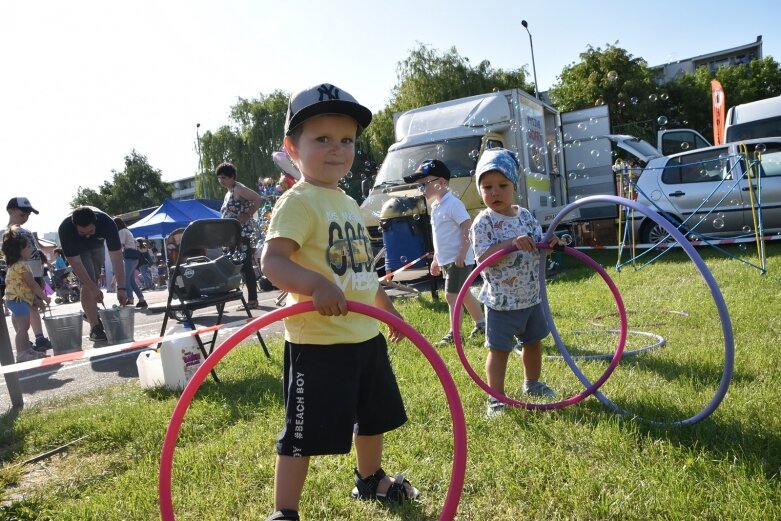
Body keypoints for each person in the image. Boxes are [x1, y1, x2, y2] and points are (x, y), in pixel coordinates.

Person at [260, 83, 418, 521]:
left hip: (365, 335)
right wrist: (315, 285)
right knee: (302, 433)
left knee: (374, 417)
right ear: (292, 147)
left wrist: (389, 311)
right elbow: (272, 262)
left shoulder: (348, 202)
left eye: (346, 139)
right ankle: (285, 511)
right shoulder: (298, 202)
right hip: (319, 345)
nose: (337, 149)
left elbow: (363, 273)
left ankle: (370, 480)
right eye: (322, 139)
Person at [470, 148, 562, 418]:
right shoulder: (483, 222)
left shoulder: (524, 216)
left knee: (533, 343)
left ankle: (532, 383)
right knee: (499, 351)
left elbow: (539, 243)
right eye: (487, 187)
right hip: (501, 302)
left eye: (502, 185)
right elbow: (483, 258)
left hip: (531, 297)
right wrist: (510, 243)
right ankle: (496, 398)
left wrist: (552, 243)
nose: (494, 192)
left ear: (514, 187)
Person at [403, 159, 485, 346]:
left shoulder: (452, 204)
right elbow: (440, 237)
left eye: (424, 184)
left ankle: (454, 334)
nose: (422, 189)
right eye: (419, 185)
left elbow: (467, 226)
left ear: (441, 182)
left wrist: (462, 253)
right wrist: (436, 259)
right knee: (463, 294)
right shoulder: (437, 206)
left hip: (460, 259)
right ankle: (482, 324)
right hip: (449, 260)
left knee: (451, 295)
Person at [58, 207, 128, 341]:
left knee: (94, 278)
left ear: (96, 223)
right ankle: (95, 328)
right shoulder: (65, 229)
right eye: (83, 232)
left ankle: (89, 314)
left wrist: (122, 288)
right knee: (89, 281)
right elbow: (76, 264)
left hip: (97, 245)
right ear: (75, 226)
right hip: (78, 249)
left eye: (91, 231)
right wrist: (93, 288)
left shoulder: (107, 223)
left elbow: (117, 257)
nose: (88, 235)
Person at [4, 197, 53, 352]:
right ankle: (37, 338)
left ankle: (31, 340)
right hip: (24, 277)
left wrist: (40, 277)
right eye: (22, 214)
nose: (25, 217)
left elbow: (35, 255)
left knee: (28, 307)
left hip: (33, 273)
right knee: (29, 307)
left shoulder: (25, 231)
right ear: (10, 211)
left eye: (28, 215)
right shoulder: (9, 233)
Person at [215, 162, 263, 310]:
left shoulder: (238, 188)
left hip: (241, 232)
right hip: (232, 234)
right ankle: (247, 299)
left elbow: (258, 199)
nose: (221, 180)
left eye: (224, 177)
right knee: (239, 266)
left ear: (232, 177)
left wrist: (247, 214)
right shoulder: (229, 191)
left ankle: (252, 300)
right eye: (219, 178)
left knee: (246, 266)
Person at [114, 217, 147, 309]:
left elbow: (120, 245)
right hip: (135, 257)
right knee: (131, 281)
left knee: (125, 279)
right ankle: (141, 300)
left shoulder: (122, 232)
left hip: (129, 257)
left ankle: (130, 298)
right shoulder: (128, 231)